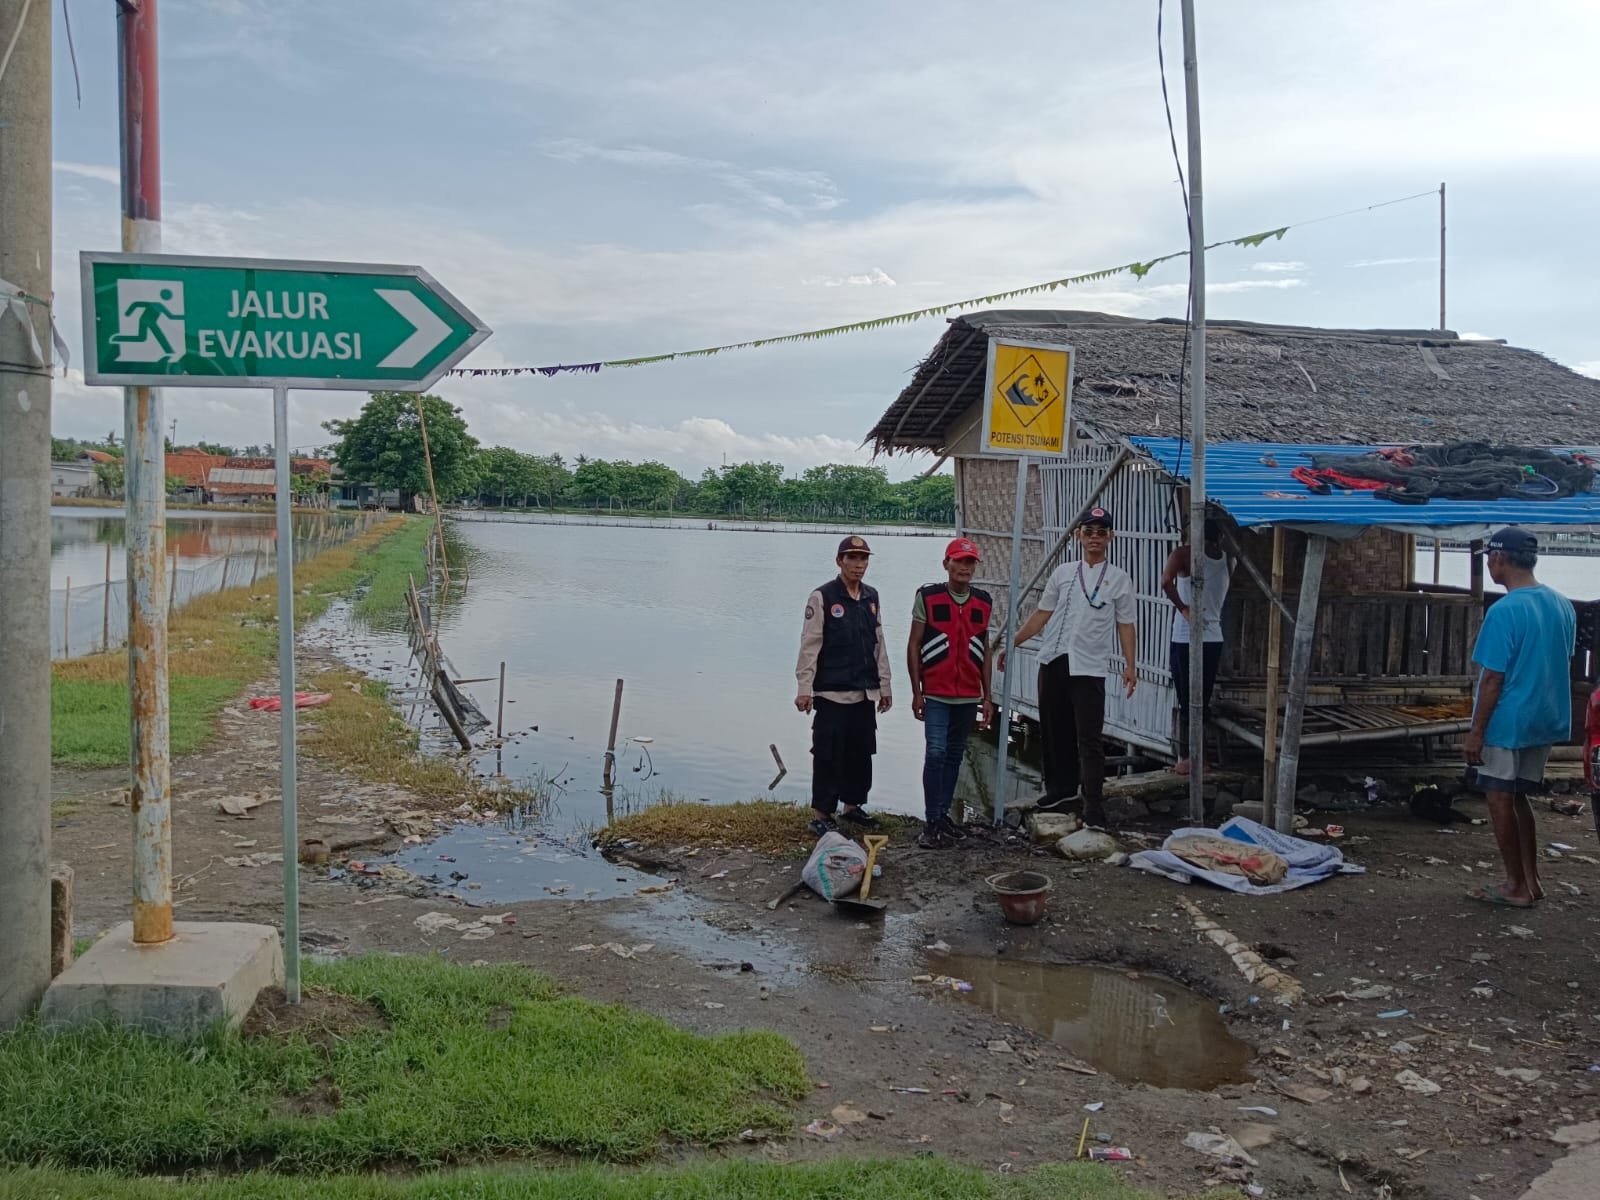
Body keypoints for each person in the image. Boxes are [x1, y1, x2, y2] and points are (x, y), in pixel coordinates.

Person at [998, 508, 1137, 827]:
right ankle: (1059, 789)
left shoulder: (1118, 579)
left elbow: (1126, 624)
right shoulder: (1063, 572)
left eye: (1101, 532)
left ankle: (1093, 805)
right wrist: (1013, 643)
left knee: (1089, 737)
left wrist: (1130, 665)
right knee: (1053, 728)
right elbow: (1042, 614)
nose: (1094, 538)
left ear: (1110, 537)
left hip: (1089, 666)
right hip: (1054, 659)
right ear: (1079, 536)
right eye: (1089, 532)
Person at [1464, 526, 1576, 908]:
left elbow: (1493, 678)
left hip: (1508, 719)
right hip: (1543, 717)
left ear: (1498, 559)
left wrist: (1476, 732)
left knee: (1498, 797)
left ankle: (1515, 885)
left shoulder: (1505, 610)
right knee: (1518, 797)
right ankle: (1531, 881)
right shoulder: (1561, 603)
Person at [796, 535, 893, 837]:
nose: (858, 565)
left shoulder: (871, 597)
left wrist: (885, 685)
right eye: (852, 558)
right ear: (840, 561)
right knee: (827, 753)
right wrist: (804, 687)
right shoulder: (823, 596)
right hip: (831, 690)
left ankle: (853, 808)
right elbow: (810, 644)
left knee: (861, 752)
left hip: (865, 689)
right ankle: (822, 813)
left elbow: (879, 643)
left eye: (863, 559)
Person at [908, 537, 995, 849]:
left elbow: (984, 650)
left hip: (968, 695)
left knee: (955, 755)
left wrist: (988, 696)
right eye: (958, 561)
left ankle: (943, 815)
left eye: (970, 562)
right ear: (946, 564)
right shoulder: (928, 597)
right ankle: (931, 820)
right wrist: (917, 691)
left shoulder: (983, 602)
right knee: (935, 753)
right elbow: (914, 644)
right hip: (936, 693)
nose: (964, 567)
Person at [1161, 518, 1234, 777]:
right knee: (1200, 699)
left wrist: (1183, 608)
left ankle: (1191, 759)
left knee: (1186, 700)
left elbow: (1165, 582)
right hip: (1214, 637)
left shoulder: (1183, 554)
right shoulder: (1228, 559)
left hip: (1186, 637)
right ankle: (1198, 757)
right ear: (1220, 538)